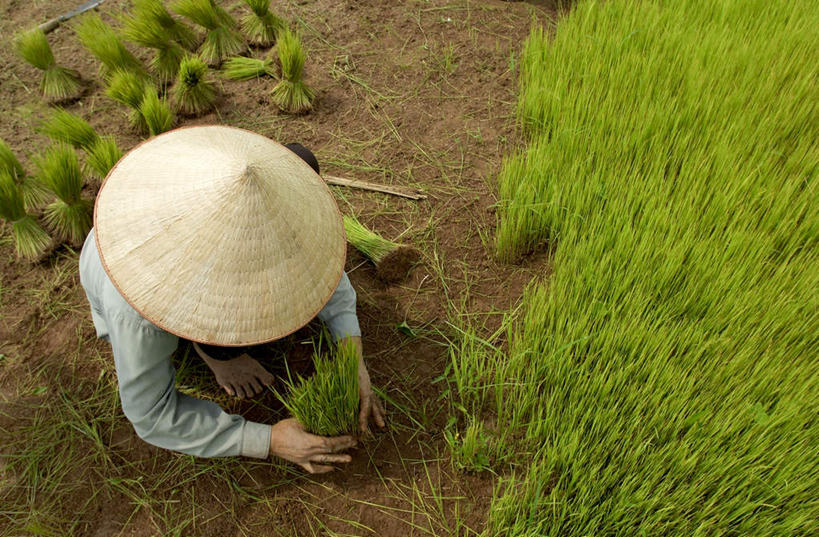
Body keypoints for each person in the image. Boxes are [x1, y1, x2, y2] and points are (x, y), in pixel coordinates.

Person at [79, 126, 385, 474]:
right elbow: (150, 414)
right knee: (221, 339)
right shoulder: (136, 314)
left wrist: (351, 354)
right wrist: (268, 439)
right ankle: (212, 352)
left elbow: (319, 265)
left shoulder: (249, 177)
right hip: (129, 280)